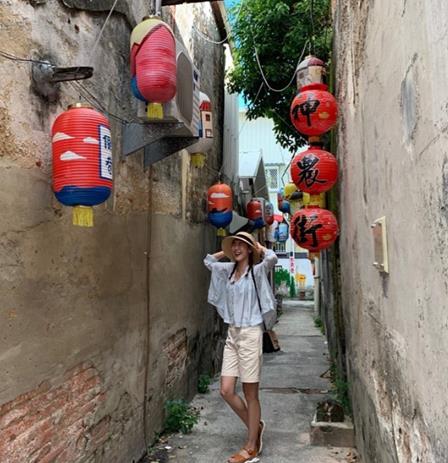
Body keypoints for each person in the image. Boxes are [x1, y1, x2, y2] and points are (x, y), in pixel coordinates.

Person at [204, 231, 278, 463]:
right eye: (233, 245)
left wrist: (257, 245)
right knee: (226, 390)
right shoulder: (228, 272)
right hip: (233, 334)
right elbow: (208, 261)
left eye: (241, 245)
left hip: (250, 334)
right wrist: (224, 251)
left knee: (250, 392)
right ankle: (256, 425)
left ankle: (251, 445)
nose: (236, 249)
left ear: (249, 250)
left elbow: (272, 258)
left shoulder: (255, 272)